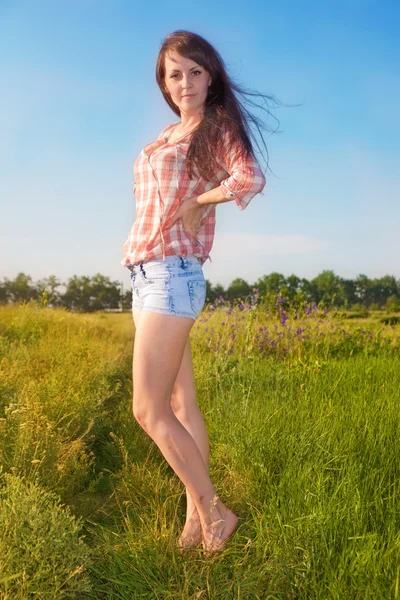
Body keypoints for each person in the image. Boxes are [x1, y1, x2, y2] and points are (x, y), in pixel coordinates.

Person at [121, 30, 271, 554]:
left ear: (212, 76)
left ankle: (214, 513)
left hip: (172, 274)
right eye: (174, 73)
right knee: (181, 402)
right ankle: (194, 525)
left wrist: (201, 201)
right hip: (147, 274)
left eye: (195, 71)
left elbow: (248, 179)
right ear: (163, 81)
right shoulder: (168, 132)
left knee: (148, 408)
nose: (184, 82)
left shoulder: (215, 127)